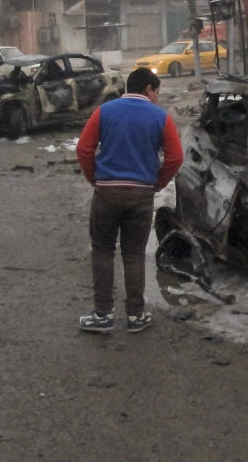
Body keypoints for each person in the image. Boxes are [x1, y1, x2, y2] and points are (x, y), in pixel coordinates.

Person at [76, 67, 183, 333]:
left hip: (106, 193)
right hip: (141, 195)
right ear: (148, 89)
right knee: (134, 254)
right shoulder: (161, 117)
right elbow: (176, 157)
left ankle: (102, 315)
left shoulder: (105, 111)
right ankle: (136, 316)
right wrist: (157, 183)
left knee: (102, 250)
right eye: (157, 92)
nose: (158, 97)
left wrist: (94, 179)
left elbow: (84, 148)